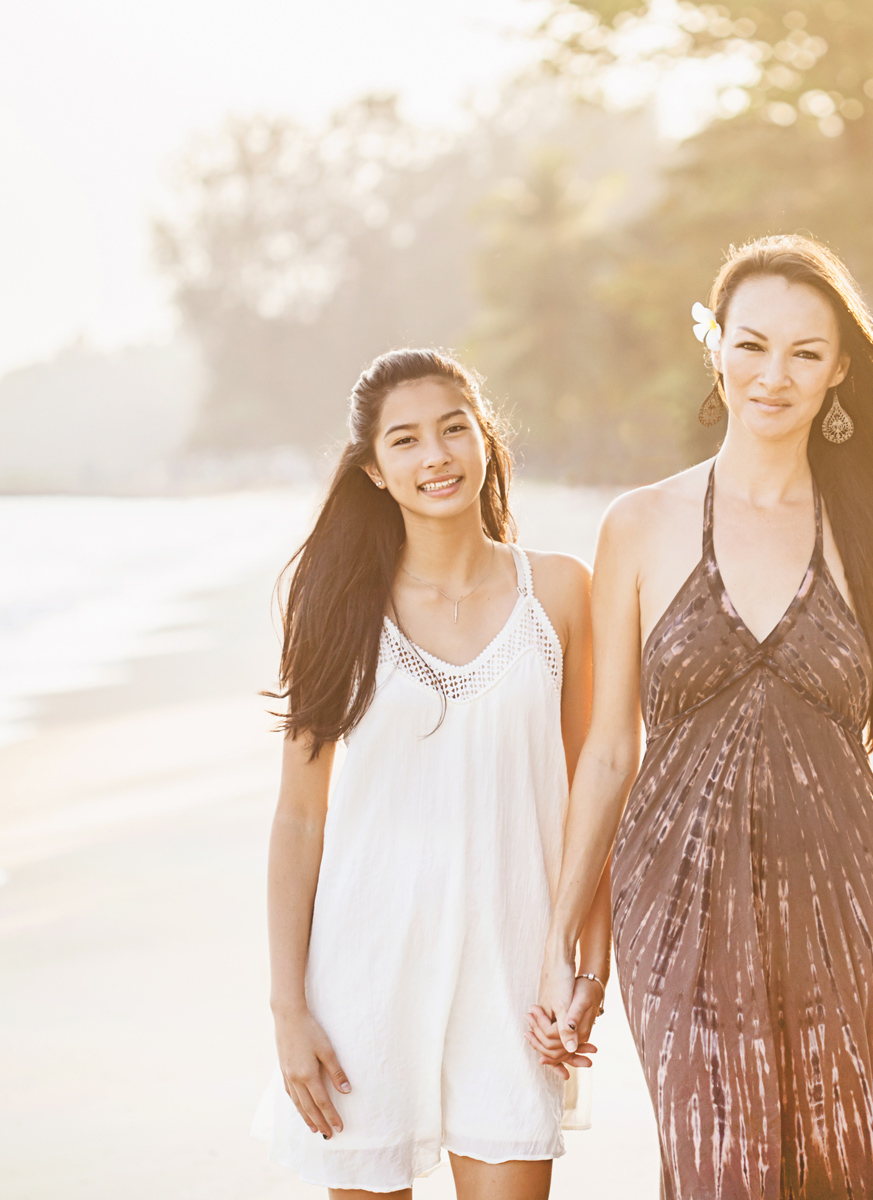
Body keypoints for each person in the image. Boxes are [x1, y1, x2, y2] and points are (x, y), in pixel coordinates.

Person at [527, 235, 873, 1198]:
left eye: (805, 352)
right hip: (673, 902)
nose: (774, 375)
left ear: (839, 369)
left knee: (849, 1159)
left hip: (839, 895)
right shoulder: (638, 524)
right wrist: (562, 949)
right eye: (752, 345)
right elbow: (606, 752)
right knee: (724, 1166)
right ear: (715, 347)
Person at [255, 349, 609, 1199]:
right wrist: (288, 1009)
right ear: (376, 470)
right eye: (406, 441)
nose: (436, 456)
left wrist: (588, 970)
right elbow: (300, 820)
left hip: (516, 974)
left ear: (486, 438)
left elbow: (597, 796)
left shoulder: (558, 594)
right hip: (363, 978)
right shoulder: (337, 606)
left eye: (455, 428)